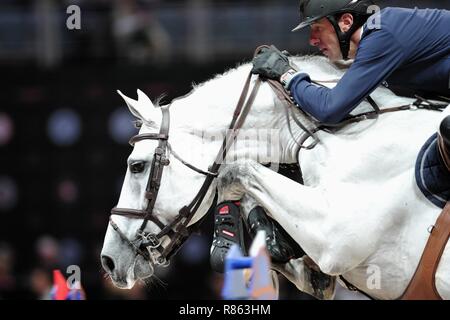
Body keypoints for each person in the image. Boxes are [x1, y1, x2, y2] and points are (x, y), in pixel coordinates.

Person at [251, 0, 450, 125]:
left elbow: (329, 109)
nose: (312, 40)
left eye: (317, 28)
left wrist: (286, 74)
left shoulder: (382, 35)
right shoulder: (380, 31)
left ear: (346, 22)